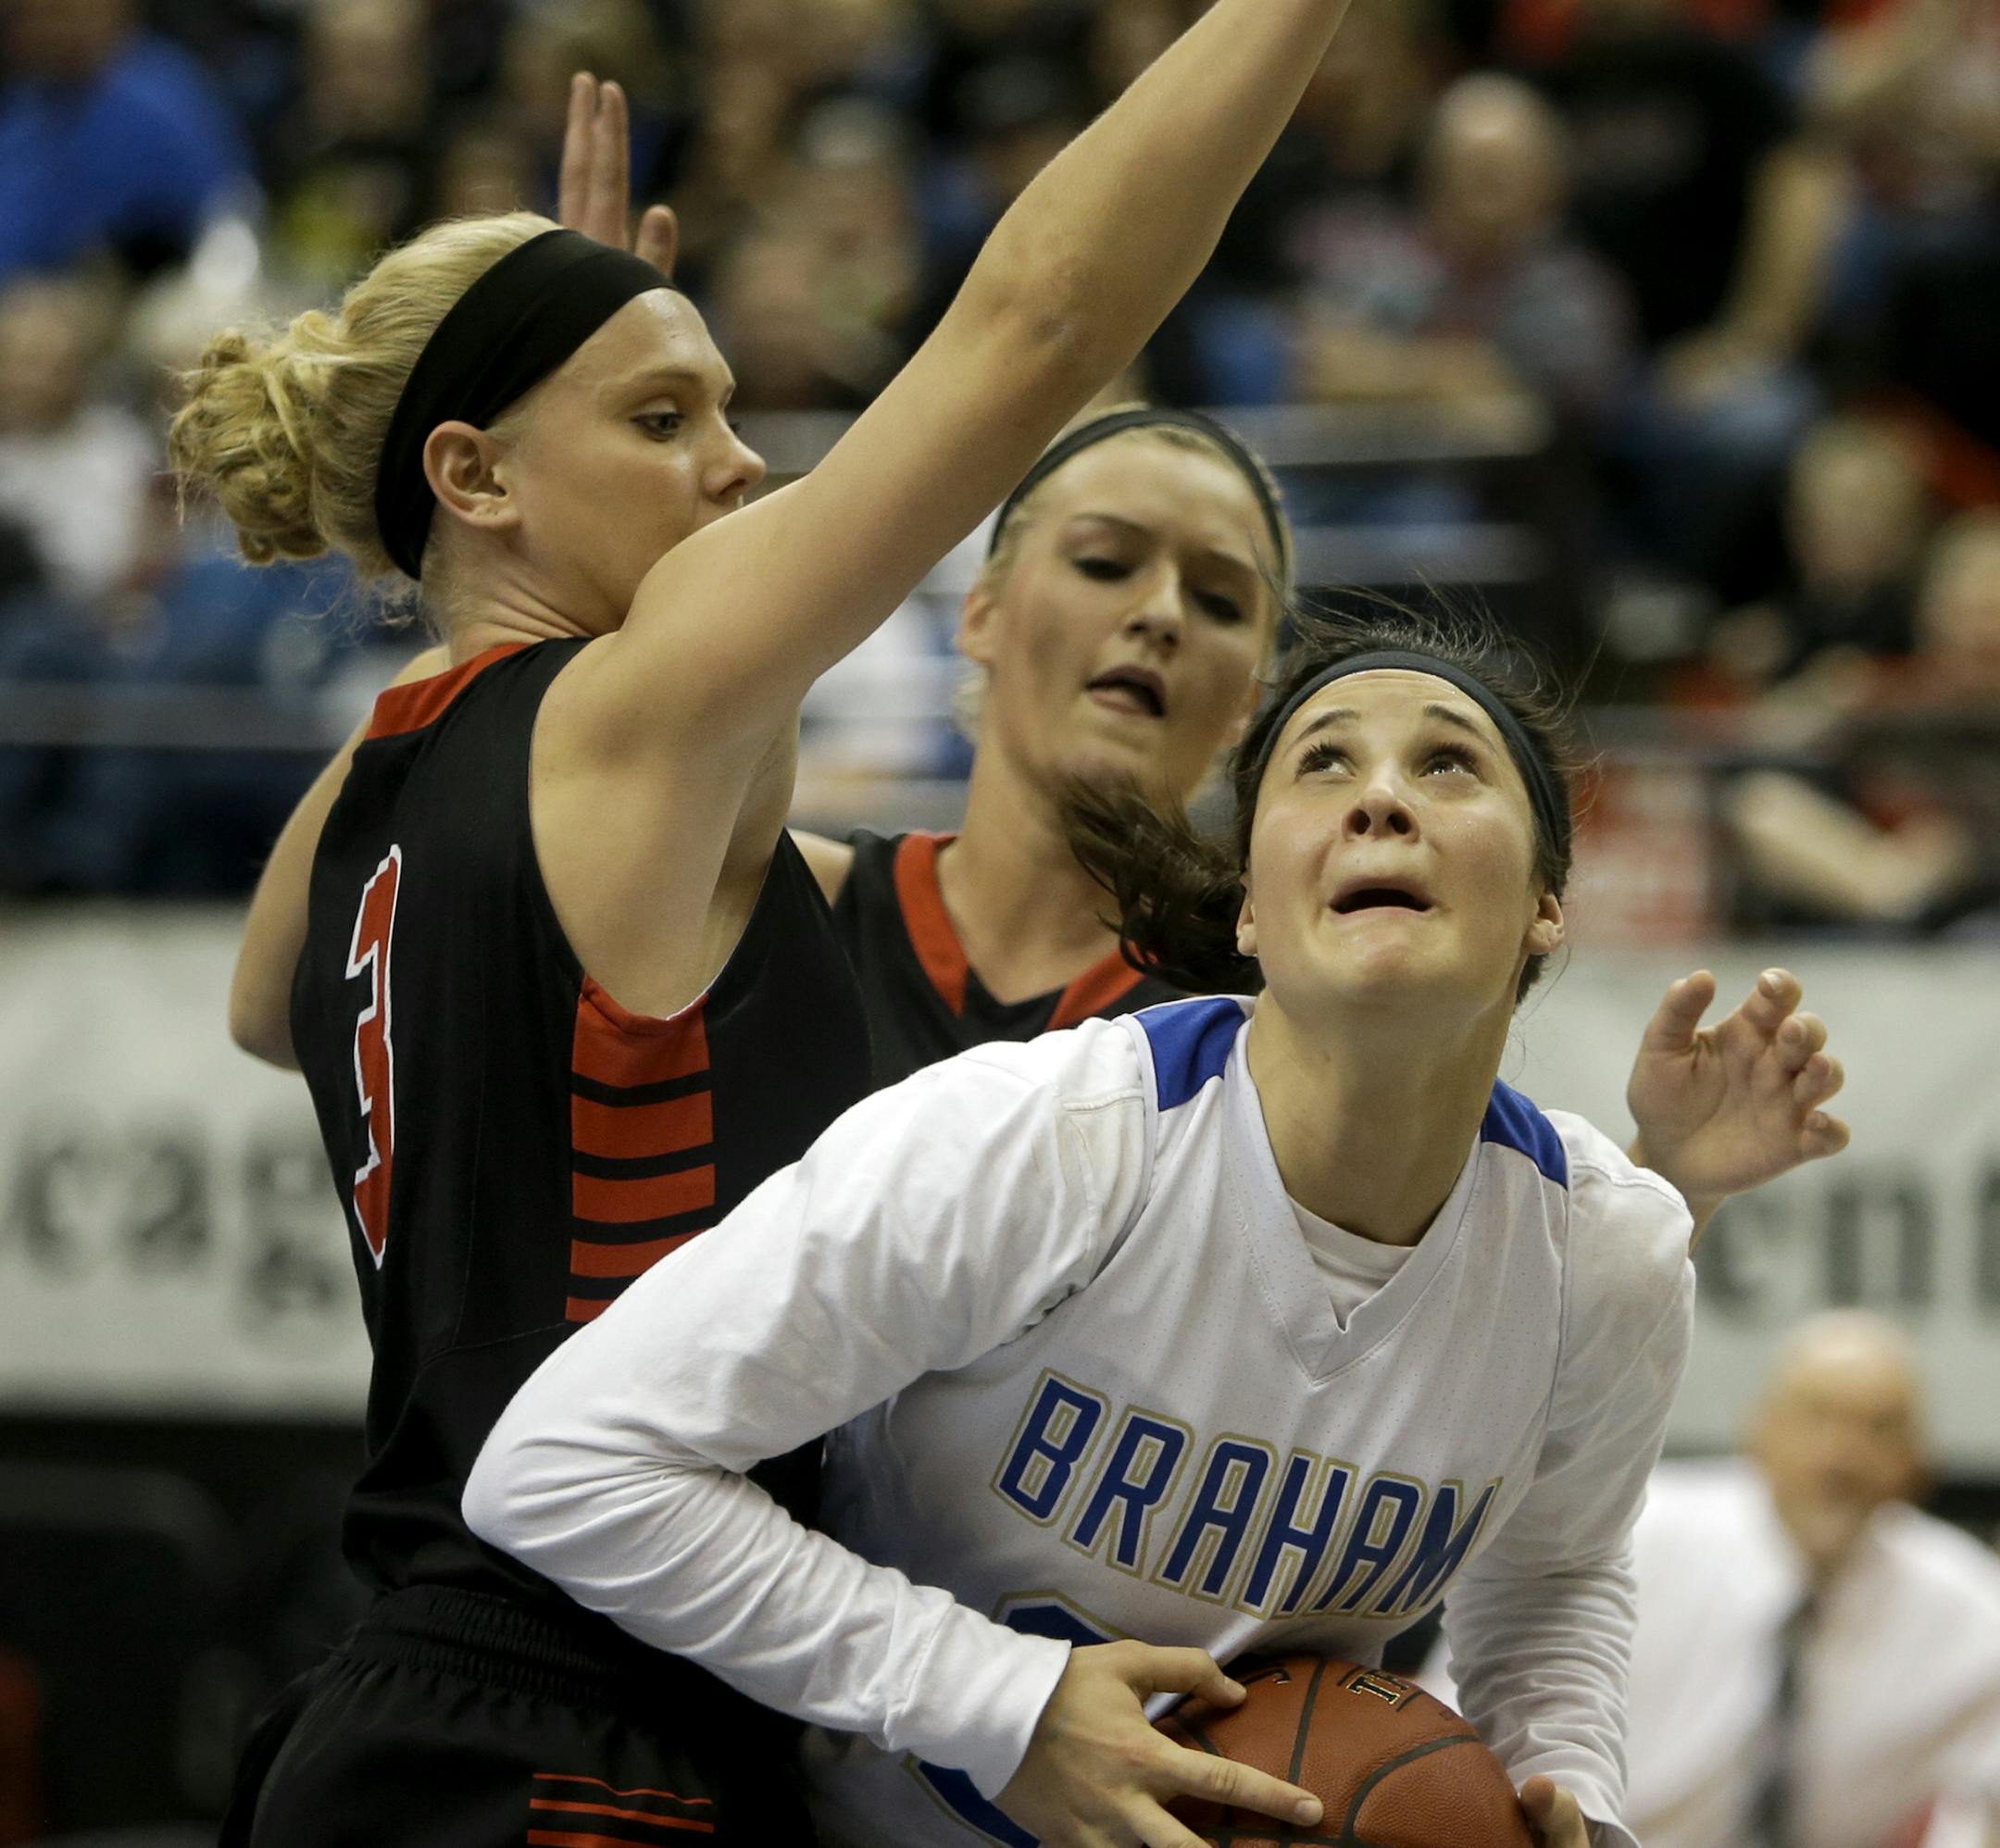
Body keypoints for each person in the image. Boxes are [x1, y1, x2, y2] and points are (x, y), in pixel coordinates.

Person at [170, 0, 1373, 1834]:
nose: (738, 469)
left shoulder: (395, 793)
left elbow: (270, 1003)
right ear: (475, 473)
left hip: (407, 1699)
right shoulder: (633, 720)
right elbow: (1040, 317)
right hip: (585, 1714)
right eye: (669, 419)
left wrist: (564, 413)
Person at [465, 612, 1852, 1848]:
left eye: (1448, 764)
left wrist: (1571, 1795)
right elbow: (561, 1466)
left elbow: (1554, 1586)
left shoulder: (1603, 1256)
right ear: (1251, 904)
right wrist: (1001, 1701)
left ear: (1548, 904)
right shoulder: (1046, 1141)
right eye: (1323, 763)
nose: (1381, 797)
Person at [1612, 1314, 2000, 1848]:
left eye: (1879, 1429)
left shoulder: (1969, 1609)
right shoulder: (1631, 1539)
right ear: (1759, 1429)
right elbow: (1476, 1720)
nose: (1840, 1457)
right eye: (1817, 1417)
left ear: (1919, 1463)